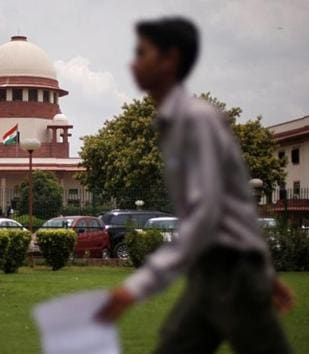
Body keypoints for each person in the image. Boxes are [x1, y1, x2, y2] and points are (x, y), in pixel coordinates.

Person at [96, 17, 294, 353]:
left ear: (170, 60)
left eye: (143, 53)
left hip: (230, 274)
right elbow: (237, 204)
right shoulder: (174, 123)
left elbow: (207, 213)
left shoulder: (195, 121)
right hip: (214, 272)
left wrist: (137, 286)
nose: (134, 63)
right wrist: (265, 271)